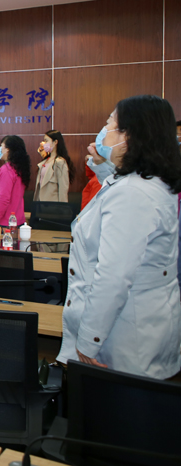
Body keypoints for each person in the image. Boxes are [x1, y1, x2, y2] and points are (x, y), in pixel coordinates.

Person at [59, 95, 181, 379]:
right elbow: (114, 184)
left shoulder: (133, 193)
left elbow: (113, 276)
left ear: (130, 136)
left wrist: (89, 339)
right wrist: (102, 164)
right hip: (137, 327)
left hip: (124, 338)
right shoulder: (142, 184)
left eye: (110, 123)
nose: (104, 130)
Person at [0, 135, 29, 227]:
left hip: (4, 222)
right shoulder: (18, 168)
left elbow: (3, 199)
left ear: (8, 150)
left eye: (1, 146)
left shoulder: (7, 170)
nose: (0, 149)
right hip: (16, 220)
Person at [33, 130, 72, 202]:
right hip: (40, 203)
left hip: (53, 204)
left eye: (46, 141)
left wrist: (62, 206)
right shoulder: (44, 162)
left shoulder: (60, 162)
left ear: (55, 142)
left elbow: (63, 189)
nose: (44, 143)